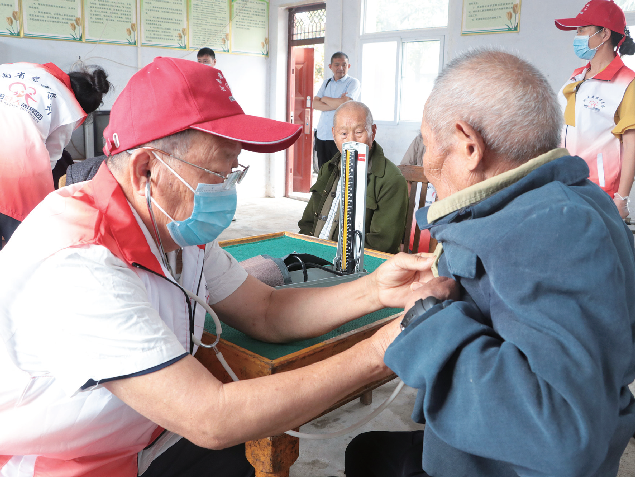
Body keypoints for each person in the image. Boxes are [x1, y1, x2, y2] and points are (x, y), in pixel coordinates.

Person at [0, 57, 454, 477]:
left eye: (236, 174)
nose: (227, 193)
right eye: (219, 176)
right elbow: (210, 416)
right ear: (146, 171)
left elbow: (266, 311)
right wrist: (381, 352)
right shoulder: (81, 262)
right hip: (73, 464)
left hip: (149, 438)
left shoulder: (173, 230)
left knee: (236, 457)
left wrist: (375, 291)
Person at [345, 48, 635, 477]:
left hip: (503, 465)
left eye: (427, 144)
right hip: (481, 448)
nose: (425, 164)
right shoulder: (569, 198)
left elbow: (564, 434)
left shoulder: (552, 227)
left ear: (468, 145)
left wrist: (429, 319)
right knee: (365, 453)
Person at [0, 62, 110, 247]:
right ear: (84, 110)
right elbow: (49, 161)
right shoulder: (68, 105)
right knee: (25, 248)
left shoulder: (27, 69)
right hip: (14, 172)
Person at [556, 0, 635, 219]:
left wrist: (622, 199)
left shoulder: (627, 83)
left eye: (582, 30)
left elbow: (632, 144)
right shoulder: (577, 76)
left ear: (605, 34)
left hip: (599, 192)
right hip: (564, 185)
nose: (577, 36)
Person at [298, 101, 408, 254]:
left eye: (359, 132)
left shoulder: (391, 180)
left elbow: (382, 245)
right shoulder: (328, 169)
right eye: (343, 134)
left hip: (351, 266)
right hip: (312, 253)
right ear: (333, 134)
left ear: (373, 131)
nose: (351, 141)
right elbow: (307, 224)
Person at [313, 52, 361, 169]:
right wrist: (338, 102)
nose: (340, 68)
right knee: (323, 173)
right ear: (330, 66)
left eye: (344, 65)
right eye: (337, 64)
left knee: (340, 174)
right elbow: (315, 104)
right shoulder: (326, 83)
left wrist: (324, 99)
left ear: (348, 66)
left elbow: (345, 104)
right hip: (322, 135)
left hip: (340, 137)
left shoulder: (353, 83)